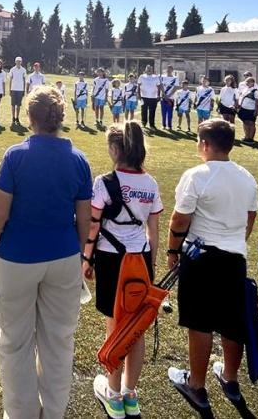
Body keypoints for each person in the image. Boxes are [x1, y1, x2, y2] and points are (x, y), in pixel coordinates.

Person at [0, 85, 92, 419]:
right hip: (62, 256)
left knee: (15, 342)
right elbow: (84, 219)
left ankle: (22, 414)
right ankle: (53, 413)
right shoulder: (78, 159)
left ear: (30, 117)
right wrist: (76, 256)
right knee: (58, 342)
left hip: (19, 258)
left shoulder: (16, 155)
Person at [167, 119, 258, 412]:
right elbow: (249, 217)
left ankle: (196, 384)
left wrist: (172, 250)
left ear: (205, 144)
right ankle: (230, 378)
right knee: (233, 322)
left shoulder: (197, 175)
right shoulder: (246, 176)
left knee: (200, 321)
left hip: (202, 256)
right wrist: (235, 240)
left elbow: (180, 219)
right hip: (234, 257)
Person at [83, 122, 163, 418]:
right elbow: (153, 230)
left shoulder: (104, 181)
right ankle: (131, 393)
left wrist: (86, 259)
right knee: (136, 327)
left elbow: (93, 225)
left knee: (115, 326)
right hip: (139, 260)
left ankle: (114, 396)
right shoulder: (150, 183)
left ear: (116, 149)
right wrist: (150, 268)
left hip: (111, 259)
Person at [237, 76, 258, 143]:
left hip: (251, 109)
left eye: (248, 81)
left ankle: (251, 138)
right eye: (246, 81)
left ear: (252, 82)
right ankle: (246, 136)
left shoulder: (255, 91)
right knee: (245, 122)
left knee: (251, 123)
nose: (246, 83)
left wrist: (256, 110)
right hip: (244, 108)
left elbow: (257, 101)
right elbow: (241, 97)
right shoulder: (245, 89)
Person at [138, 65, 161, 129]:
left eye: (150, 69)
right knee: (144, 111)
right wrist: (139, 94)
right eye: (147, 69)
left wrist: (158, 95)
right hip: (144, 97)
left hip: (153, 97)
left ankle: (152, 125)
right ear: (145, 70)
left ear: (152, 70)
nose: (149, 70)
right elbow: (138, 86)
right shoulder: (141, 76)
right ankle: (144, 123)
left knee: (152, 112)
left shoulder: (156, 77)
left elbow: (159, 87)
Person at [9, 56, 28, 126]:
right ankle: (13, 118)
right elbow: (10, 80)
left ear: (21, 62)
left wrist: (24, 90)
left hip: (20, 90)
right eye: (17, 61)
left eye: (19, 61)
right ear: (15, 62)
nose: (18, 62)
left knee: (19, 105)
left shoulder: (23, 70)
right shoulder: (12, 69)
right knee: (13, 105)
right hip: (13, 89)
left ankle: (17, 117)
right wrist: (10, 89)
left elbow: (24, 80)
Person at [161, 65, 179, 131]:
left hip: (171, 98)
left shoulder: (175, 78)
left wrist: (169, 95)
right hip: (163, 98)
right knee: (163, 113)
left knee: (170, 113)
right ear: (166, 70)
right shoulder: (162, 77)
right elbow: (161, 85)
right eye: (168, 69)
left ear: (172, 70)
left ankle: (169, 126)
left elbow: (176, 87)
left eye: (170, 69)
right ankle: (163, 125)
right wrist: (164, 94)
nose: (168, 70)